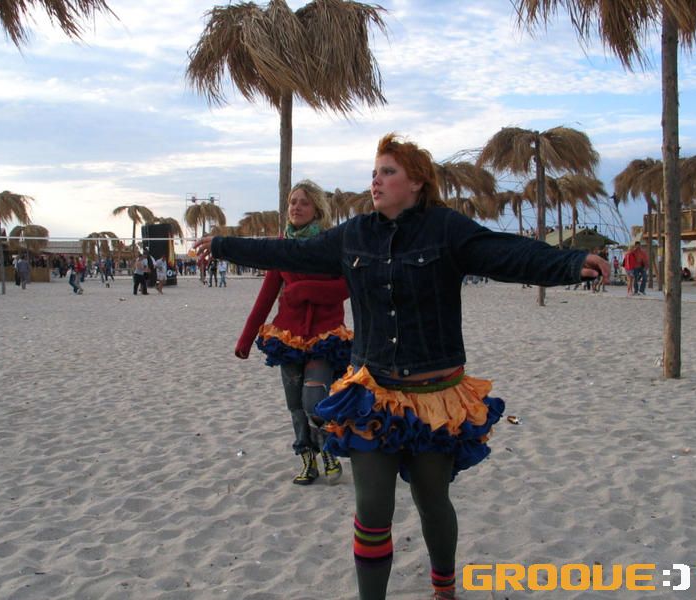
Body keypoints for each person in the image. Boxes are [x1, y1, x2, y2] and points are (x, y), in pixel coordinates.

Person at [195, 133, 609, 600]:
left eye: (388, 172)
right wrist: (224, 245)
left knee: (432, 501)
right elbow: (287, 254)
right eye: (374, 172)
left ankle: (444, 588)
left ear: (416, 182)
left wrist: (570, 263)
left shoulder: (446, 229)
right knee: (372, 510)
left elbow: (505, 253)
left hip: (434, 398)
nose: (376, 180)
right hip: (372, 394)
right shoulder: (354, 234)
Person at [235, 180, 352, 485]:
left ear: (317, 209)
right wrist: (245, 339)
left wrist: (303, 290)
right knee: (296, 406)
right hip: (287, 338)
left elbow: (346, 287)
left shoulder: (330, 244)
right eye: (292, 202)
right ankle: (307, 459)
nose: (296, 207)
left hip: (325, 337)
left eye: (304, 202)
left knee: (314, 400)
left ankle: (328, 449)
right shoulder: (282, 245)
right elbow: (266, 296)